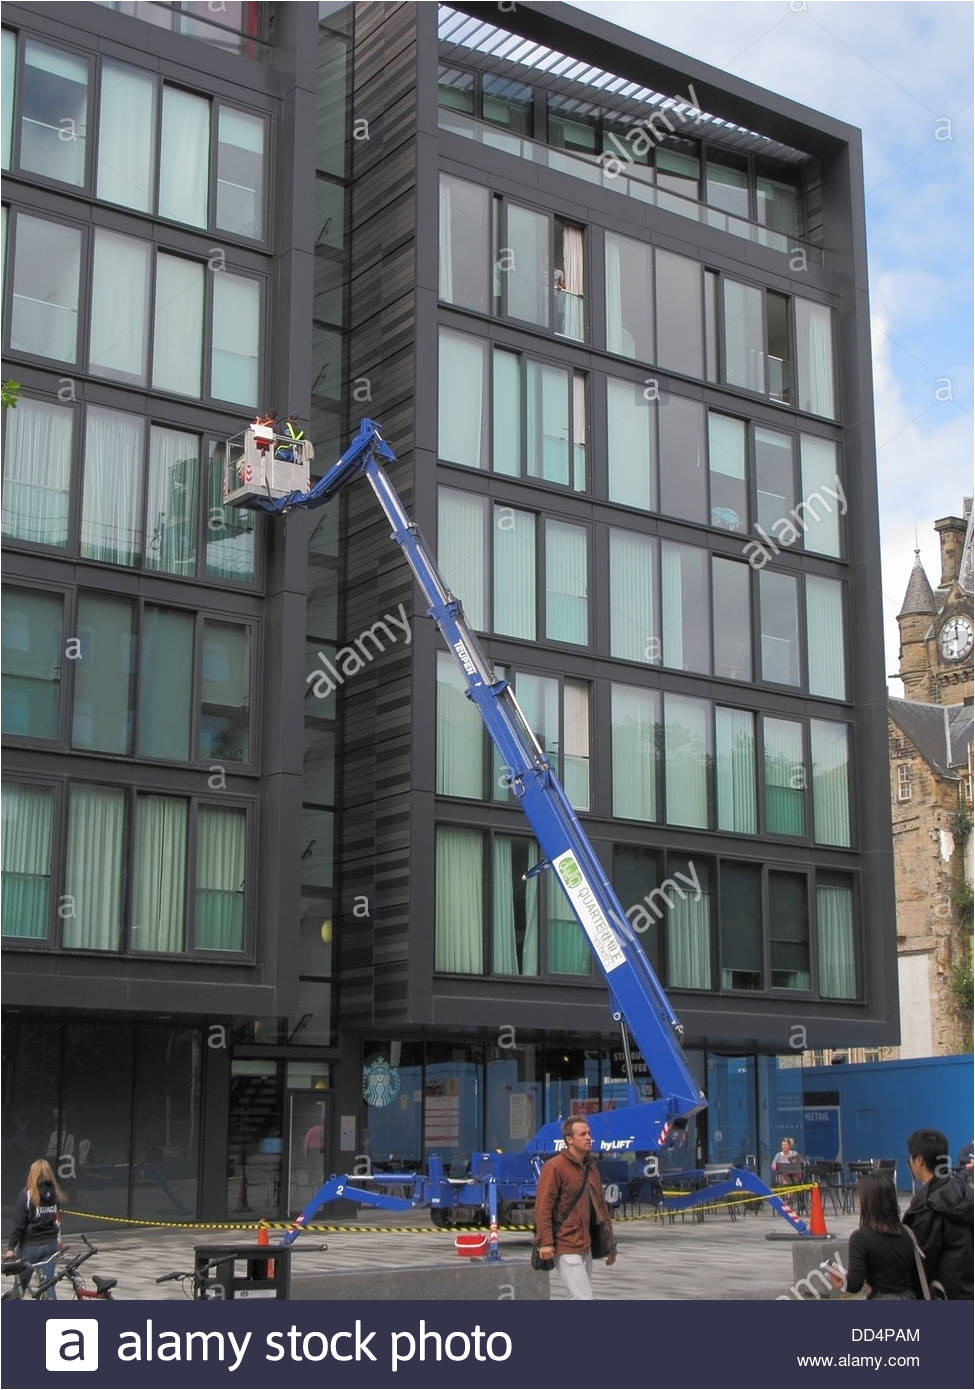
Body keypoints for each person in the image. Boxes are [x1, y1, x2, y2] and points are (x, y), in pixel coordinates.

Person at [533, 1117, 616, 1300]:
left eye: (589, 1133)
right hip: (565, 1244)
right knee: (583, 1298)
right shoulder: (554, 1167)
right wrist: (546, 1241)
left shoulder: (591, 1168)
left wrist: (610, 1245)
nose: (588, 1137)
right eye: (583, 1134)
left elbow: (601, 1207)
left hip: (585, 1245)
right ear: (569, 1139)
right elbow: (543, 1207)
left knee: (576, 1297)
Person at [902, 1128, 973, 1299]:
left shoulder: (927, 1206)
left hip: (942, 1292)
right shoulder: (964, 1190)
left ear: (919, 1160)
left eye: (910, 1157)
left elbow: (920, 1258)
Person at [828, 1172, 921, 1300]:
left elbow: (854, 1285)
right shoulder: (906, 1233)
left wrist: (840, 1282)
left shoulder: (860, 1238)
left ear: (867, 1201)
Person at [5, 1159, 64, 1299]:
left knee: (20, 1286)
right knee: (48, 1285)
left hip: (30, 1246)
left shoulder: (27, 1194)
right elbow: (56, 1219)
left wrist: (10, 1248)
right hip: (51, 1245)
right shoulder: (55, 1193)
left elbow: (19, 1224)